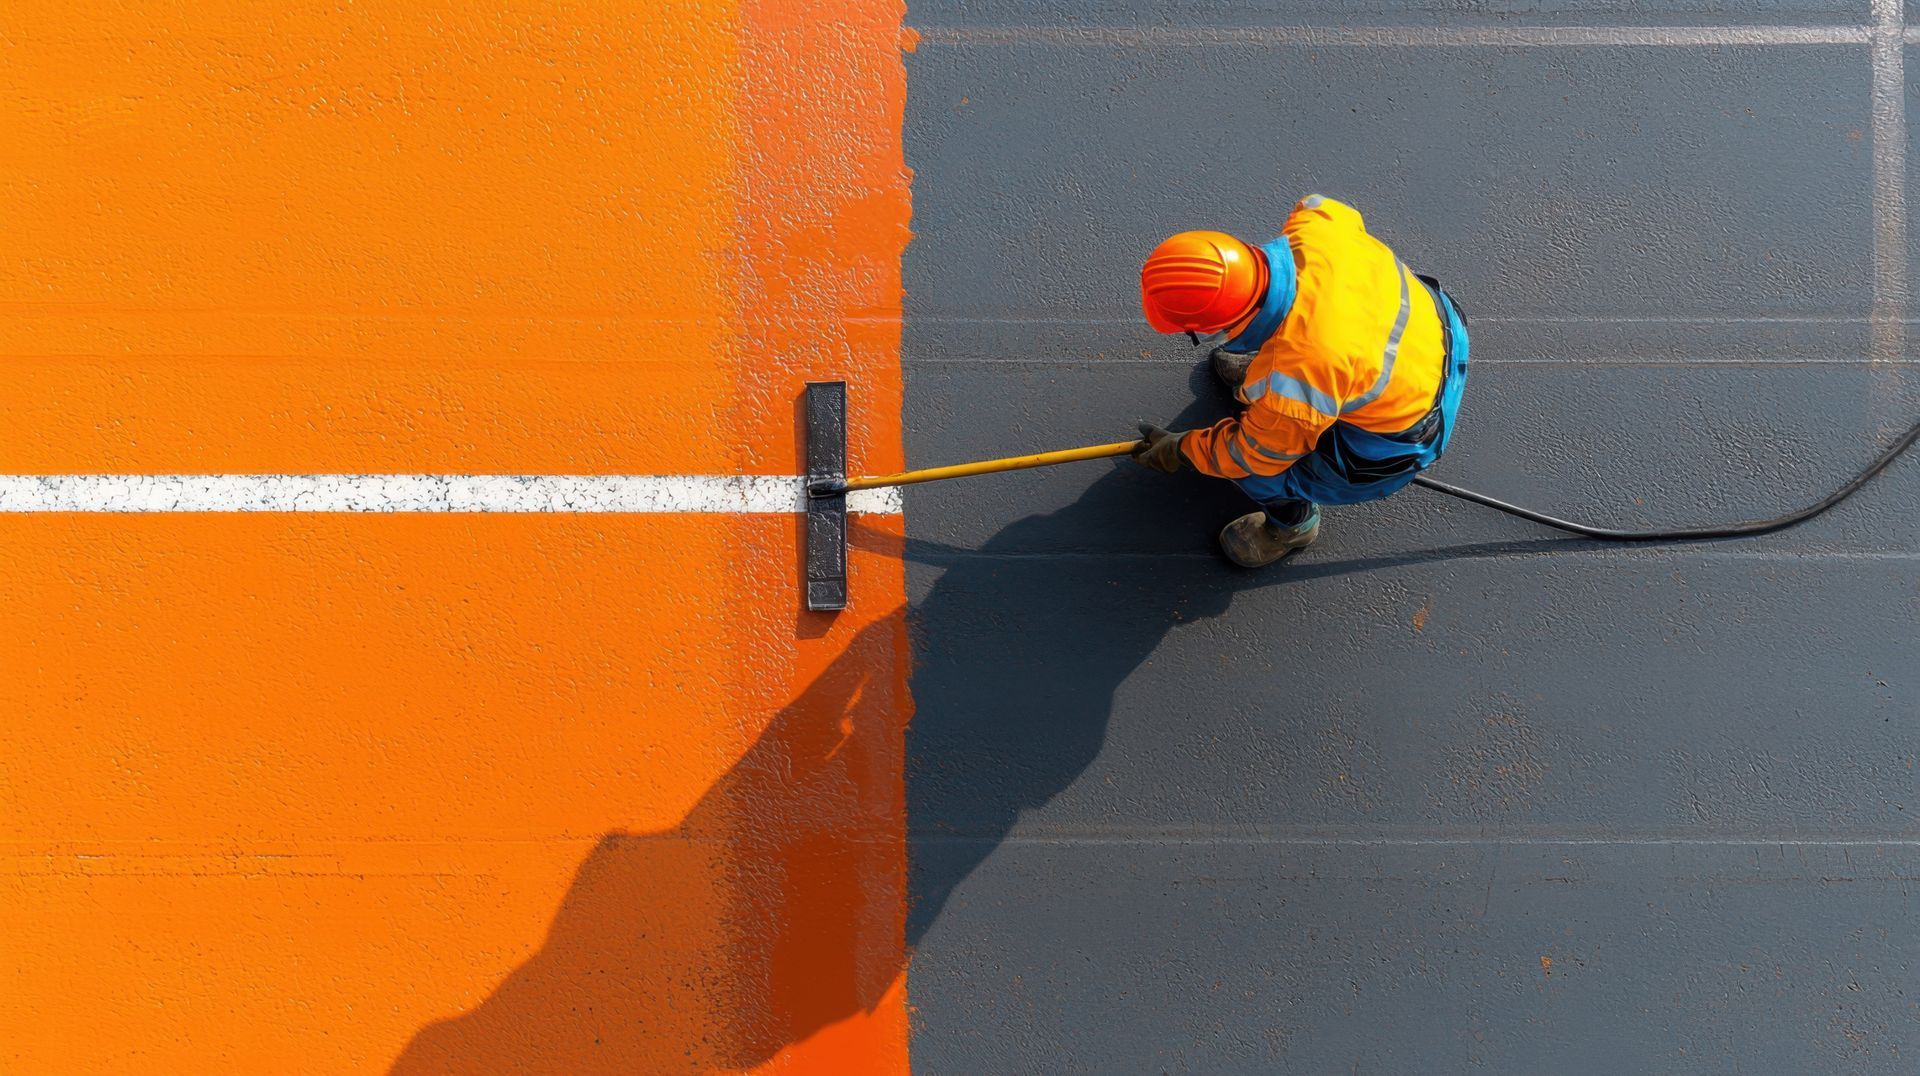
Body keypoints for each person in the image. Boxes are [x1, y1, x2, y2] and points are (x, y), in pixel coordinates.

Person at [1131, 195, 1472, 567]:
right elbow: (1324, 205)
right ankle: (1279, 384)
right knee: (1289, 386)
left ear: (1211, 327)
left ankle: (1292, 527)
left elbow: (1251, 455)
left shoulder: (1298, 383)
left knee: (1261, 473)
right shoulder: (1314, 228)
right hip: (1434, 332)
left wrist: (1184, 450)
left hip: (1406, 434)